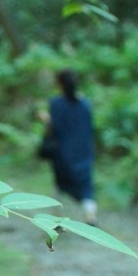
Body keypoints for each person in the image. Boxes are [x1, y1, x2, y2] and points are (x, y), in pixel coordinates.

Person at [39, 68, 98, 225]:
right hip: (84, 151)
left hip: (63, 153)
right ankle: (90, 216)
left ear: (59, 84)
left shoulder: (56, 103)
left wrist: (46, 119)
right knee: (86, 187)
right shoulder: (85, 104)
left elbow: (56, 128)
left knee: (60, 186)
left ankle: (56, 219)